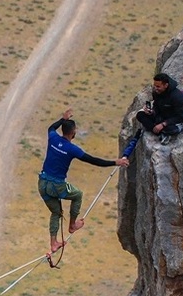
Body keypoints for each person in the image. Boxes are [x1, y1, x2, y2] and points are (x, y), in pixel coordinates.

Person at [39, 108, 130, 253]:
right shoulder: (72, 149)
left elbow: (51, 127)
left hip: (42, 183)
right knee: (77, 195)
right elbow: (93, 160)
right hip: (57, 185)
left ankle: (53, 243)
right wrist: (115, 162)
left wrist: (63, 119)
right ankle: (72, 225)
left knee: (56, 213)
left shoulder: (53, 138)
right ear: (73, 133)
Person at [136, 73, 183, 144]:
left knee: (171, 129)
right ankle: (158, 131)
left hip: (174, 122)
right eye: (154, 85)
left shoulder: (177, 97)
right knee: (140, 115)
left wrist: (163, 124)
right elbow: (156, 106)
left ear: (166, 85)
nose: (155, 88)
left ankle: (156, 129)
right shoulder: (157, 93)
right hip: (162, 117)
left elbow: (181, 117)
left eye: (158, 86)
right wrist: (152, 111)